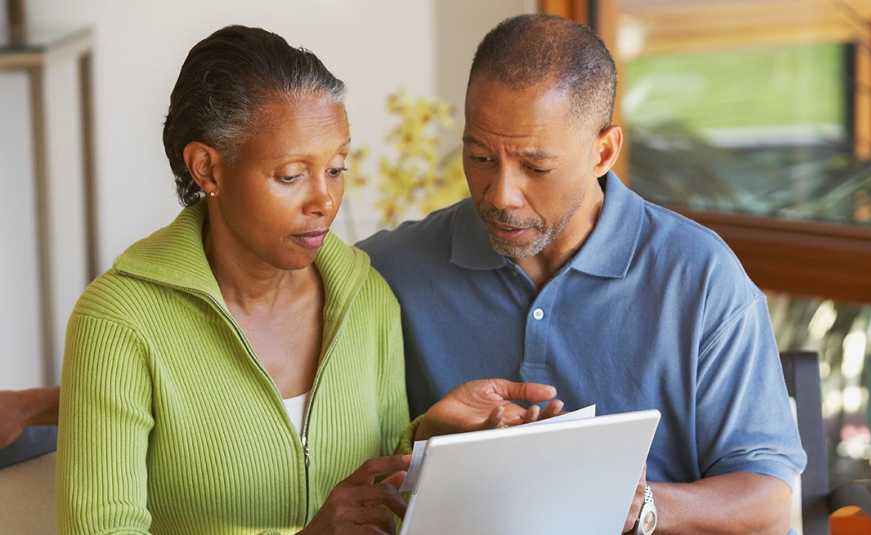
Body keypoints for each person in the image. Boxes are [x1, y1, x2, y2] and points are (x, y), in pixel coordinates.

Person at [55, 25, 560, 535]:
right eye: (291, 175)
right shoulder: (119, 321)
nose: (324, 201)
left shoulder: (365, 296)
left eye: (336, 169)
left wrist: (429, 436)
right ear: (208, 169)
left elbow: (374, 496)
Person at [358, 14, 807, 534]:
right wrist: (421, 443)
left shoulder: (699, 278)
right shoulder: (391, 270)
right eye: (480, 156)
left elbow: (769, 503)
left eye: (536, 167)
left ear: (604, 152)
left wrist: (640, 508)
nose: (501, 194)